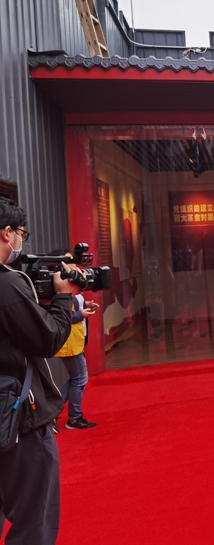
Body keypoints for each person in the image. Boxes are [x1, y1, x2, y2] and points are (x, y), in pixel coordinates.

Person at [0, 197, 75, 544]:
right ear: (7, 233)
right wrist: (63, 298)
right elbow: (48, 339)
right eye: (21, 233)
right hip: (17, 418)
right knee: (34, 520)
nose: (21, 240)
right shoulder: (7, 284)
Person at [53, 252, 99, 429]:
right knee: (79, 379)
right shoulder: (59, 286)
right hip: (68, 341)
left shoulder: (71, 284)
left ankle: (55, 414)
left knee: (78, 378)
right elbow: (61, 315)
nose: (73, 265)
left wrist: (86, 306)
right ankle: (71, 417)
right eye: (68, 261)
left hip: (76, 339)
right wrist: (81, 314)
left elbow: (73, 307)